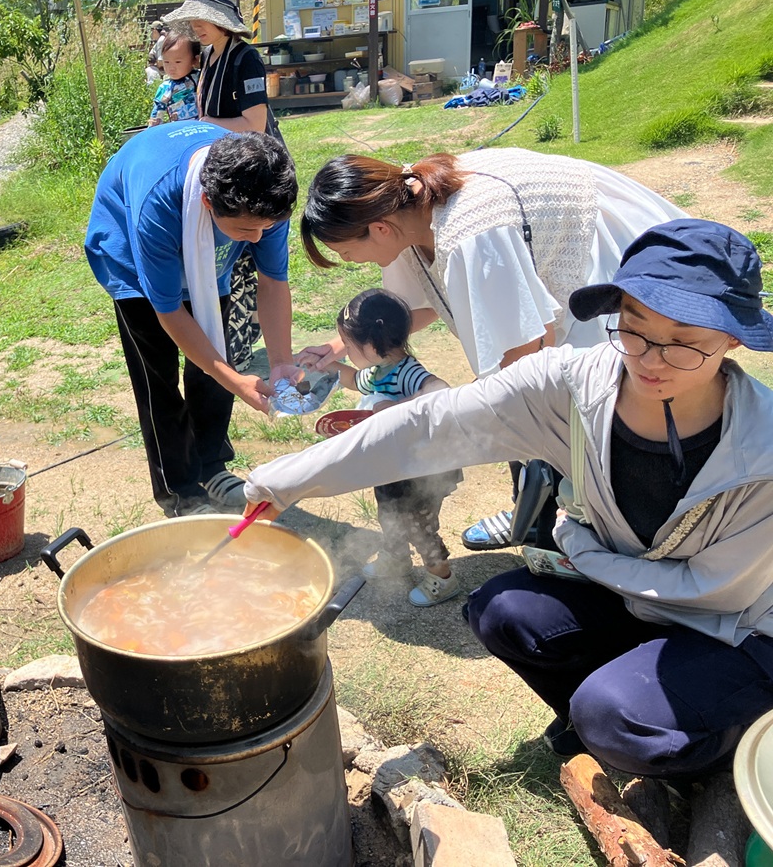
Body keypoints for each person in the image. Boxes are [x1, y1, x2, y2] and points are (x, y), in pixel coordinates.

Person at [245, 219, 773, 779]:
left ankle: (708, 749)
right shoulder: (570, 385)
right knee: (502, 610)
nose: (650, 360)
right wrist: (285, 481)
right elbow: (427, 423)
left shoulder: (760, 451)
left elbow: (712, 591)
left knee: (613, 716)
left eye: (685, 343)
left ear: (734, 337)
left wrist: (578, 545)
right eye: (634, 329)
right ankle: (620, 716)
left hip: (733, 624)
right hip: (636, 593)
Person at [295, 148, 686, 552]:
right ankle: (531, 511)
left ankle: (589, 528)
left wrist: (462, 421)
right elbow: (410, 308)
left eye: (345, 252)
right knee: (532, 411)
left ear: (378, 229)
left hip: (606, 254)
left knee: (587, 408)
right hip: (548, 262)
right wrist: (337, 346)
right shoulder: (403, 213)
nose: (350, 261)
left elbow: (528, 352)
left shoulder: (471, 236)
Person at [84, 124, 301, 517]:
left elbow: (272, 282)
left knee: (215, 352)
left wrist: (281, 359)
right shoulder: (158, 208)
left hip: (206, 250)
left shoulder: (266, 198)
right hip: (131, 254)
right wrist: (236, 382)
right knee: (159, 377)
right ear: (206, 201)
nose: (256, 239)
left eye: (264, 228)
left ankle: (212, 465)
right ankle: (181, 491)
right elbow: (168, 310)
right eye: (245, 230)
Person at [164, 0, 277, 374]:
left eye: (203, 17)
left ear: (225, 18)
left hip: (257, 175)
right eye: (192, 17)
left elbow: (255, 124)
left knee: (252, 267)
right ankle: (231, 352)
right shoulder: (208, 55)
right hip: (226, 172)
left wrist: (204, 123)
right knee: (226, 267)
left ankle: (241, 353)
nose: (196, 24)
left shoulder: (246, 58)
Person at [333, 289, 461, 606]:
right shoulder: (377, 370)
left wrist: (395, 406)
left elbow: (440, 390)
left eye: (349, 346)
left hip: (424, 470)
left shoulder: (407, 372)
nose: (347, 352)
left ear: (374, 343)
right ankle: (396, 559)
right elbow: (352, 379)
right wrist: (324, 366)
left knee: (419, 525)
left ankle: (443, 578)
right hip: (392, 466)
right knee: (389, 513)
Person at [147, 30, 201, 126]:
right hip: (179, 130)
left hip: (204, 126)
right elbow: (157, 113)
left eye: (178, 62)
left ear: (194, 60)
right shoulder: (165, 88)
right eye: (166, 62)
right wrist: (154, 125)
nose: (171, 68)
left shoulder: (201, 78)